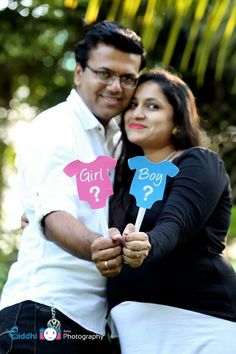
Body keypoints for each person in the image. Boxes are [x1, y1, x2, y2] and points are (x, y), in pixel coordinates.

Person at [0, 20, 148, 354]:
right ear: (79, 73)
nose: (115, 86)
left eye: (128, 78)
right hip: (43, 314)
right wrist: (96, 245)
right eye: (105, 73)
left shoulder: (120, 141)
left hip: (93, 326)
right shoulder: (56, 127)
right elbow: (54, 214)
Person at [92, 68, 236, 354]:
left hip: (200, 322)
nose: (138, 113)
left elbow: (175, 225)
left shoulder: (199, 162)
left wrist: (148, 244)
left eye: (153, 106)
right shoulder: (121, 179)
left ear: (178, 120)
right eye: (133, 105)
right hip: (133, 333)